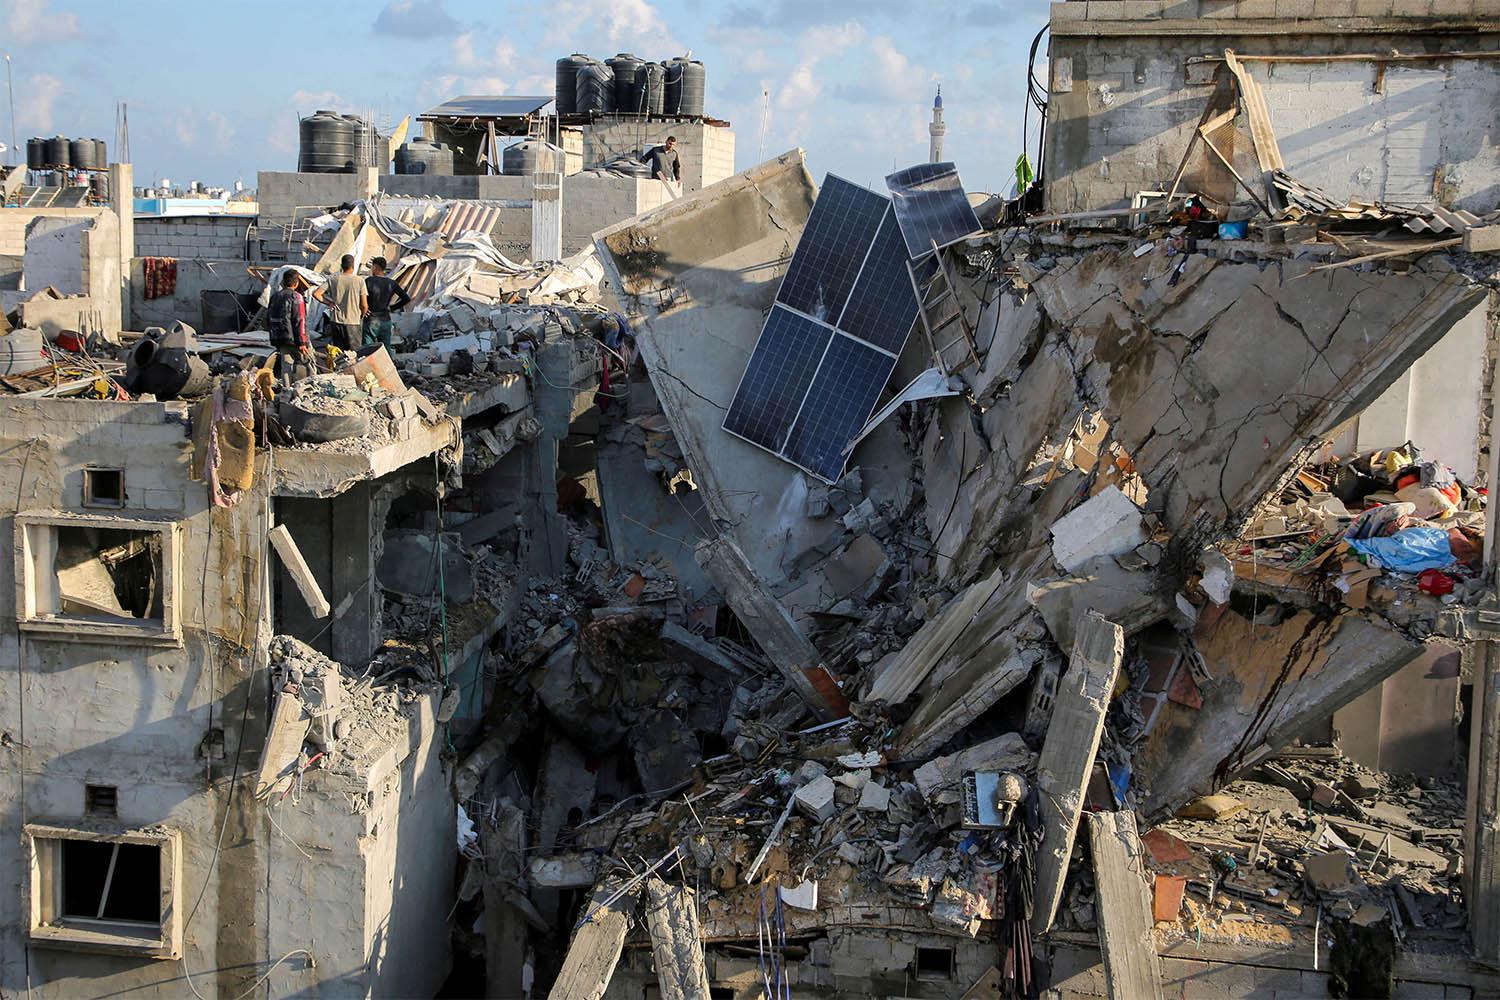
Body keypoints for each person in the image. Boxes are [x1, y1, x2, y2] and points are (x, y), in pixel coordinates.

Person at [267, 270, 312, 386]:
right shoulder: (296, 297)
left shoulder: (275, 297)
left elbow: (268, 318)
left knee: (286, 366)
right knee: (309, 363)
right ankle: (312, 388)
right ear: (296, 283)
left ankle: (286, 390)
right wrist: (302, 341)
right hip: (295, 339)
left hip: (280, 338)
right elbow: (300, 320)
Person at [313, 253, 367, 351]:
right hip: (353, 321)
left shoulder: (333, 279)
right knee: (354, 352)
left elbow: (316, 294)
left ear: (342, 266)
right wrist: (361, 315)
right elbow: (364, 305)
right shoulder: (359, 281)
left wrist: (328, 303)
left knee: (338, 351)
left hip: (336, 321)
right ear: (353, 266)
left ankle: (340, 366)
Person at [362, 256, 410, 351]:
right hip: (386, 320)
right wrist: (392, 308)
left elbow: (362, 299)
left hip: (371, 319)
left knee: (368, 349)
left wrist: (364, 310)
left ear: (375, 267)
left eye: (372, 267)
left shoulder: (368, 281)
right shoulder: (391, 283)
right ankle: (388, 365)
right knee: (385, 349)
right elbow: (406, 298)